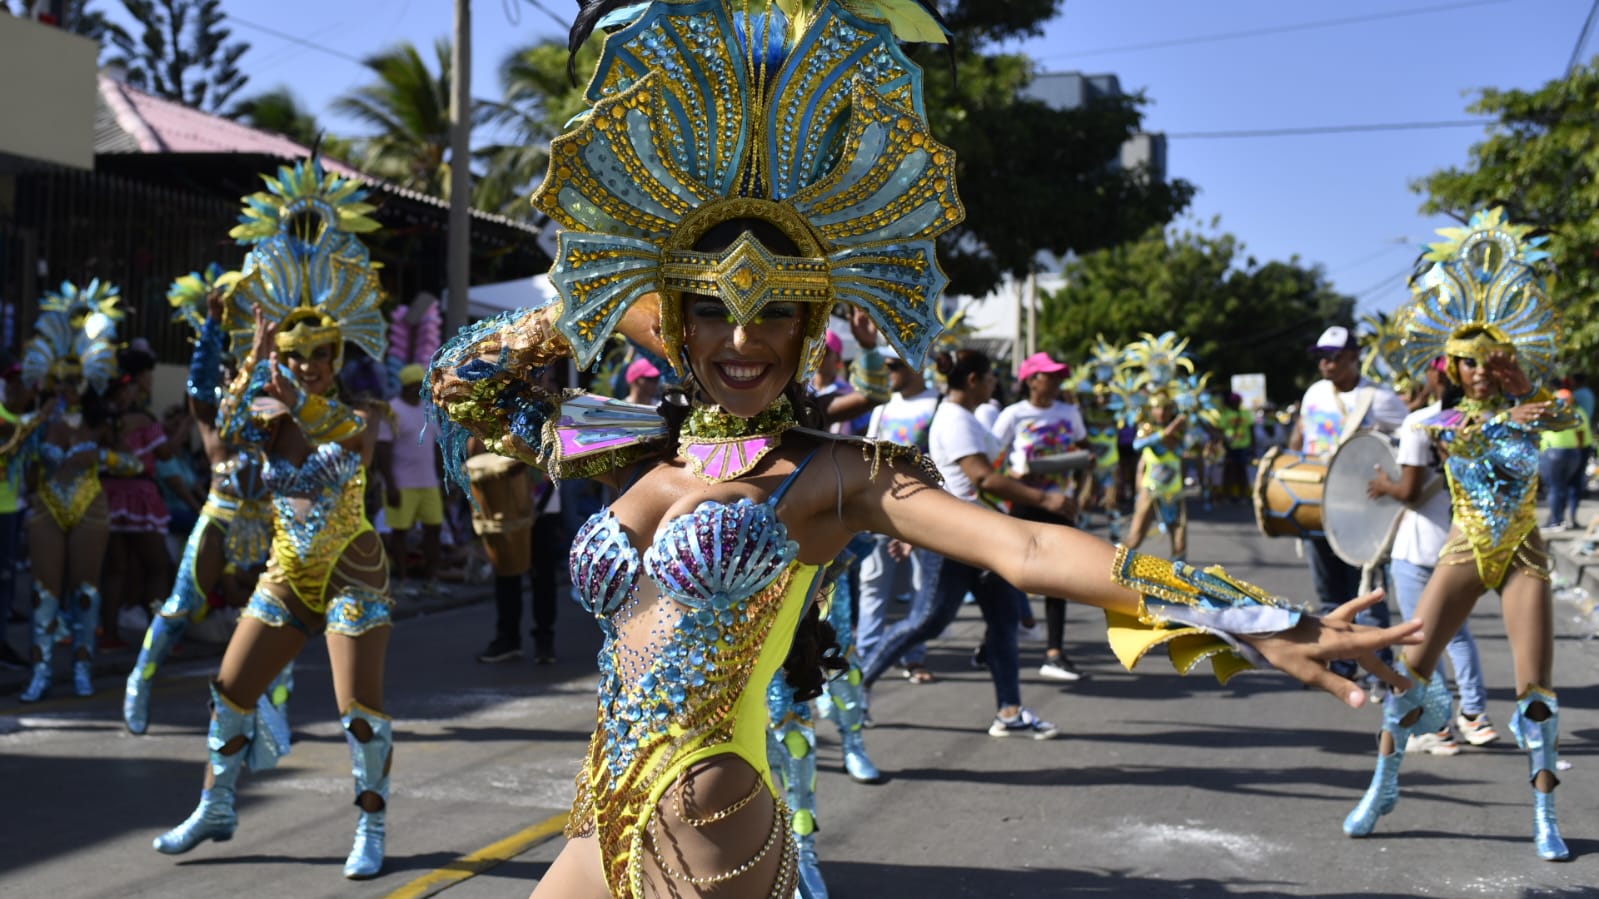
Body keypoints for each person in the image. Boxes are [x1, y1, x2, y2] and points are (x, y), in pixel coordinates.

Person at [429, 5, 1417, 896]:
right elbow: (464, 386)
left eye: (774, 311)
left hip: (712, 833)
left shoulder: (834, 472)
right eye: (714, 314)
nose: (744, 339)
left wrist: (1242, 611)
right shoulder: (638, 445)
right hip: (601, 815)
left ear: (811, 326)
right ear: (677, 321)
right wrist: (577, 298)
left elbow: (1024, 549)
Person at [151, 159, 396, 879]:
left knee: (358, 708)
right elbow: (221, 434)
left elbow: (343, 451)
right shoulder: (267, 403)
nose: (310, 362)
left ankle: (371, 824)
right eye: (297, 352)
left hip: (353, 566)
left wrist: (291, 396)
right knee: (229, 691)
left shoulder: (362, 414)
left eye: (322, 352)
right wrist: (251, 363)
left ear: (339, 351)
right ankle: (217, 805)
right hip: (289, 568)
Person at [1342, 208, 1571, 860]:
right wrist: (1514, 412)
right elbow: (1465, 432)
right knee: (1407, 675)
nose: (1477, 369)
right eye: (1466, 360)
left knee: (1535, 691)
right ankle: (1382, 783)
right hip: (1464, 549)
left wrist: (1531, 394)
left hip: (1523, 553)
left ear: (1505, 360)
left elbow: (1565, 421)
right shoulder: (1434, 422)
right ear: (1448, 364)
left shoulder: (1534, 409)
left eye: (1489, 359)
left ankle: (1544, 812)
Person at [124, 269, 276, 736]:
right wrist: (214, 327)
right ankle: (140, 682)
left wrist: (266, 352)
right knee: (180, 606)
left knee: (273, 617)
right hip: (219, 519)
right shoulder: (211, 419)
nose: (233, 382)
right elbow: (199, 381)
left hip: (264, 524)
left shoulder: (273, 416)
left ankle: (270, 708)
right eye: (228, 377)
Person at [10, 280, 140, 701]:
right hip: (47, 503)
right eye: (58, 380)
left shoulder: (102, 421)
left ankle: (83, 667)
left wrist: (102, 457)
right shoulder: (40, 420)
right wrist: (35, 424)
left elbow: (131, 461)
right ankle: (41, 672)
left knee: (86, 590)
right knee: (44, 591)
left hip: (89, 504)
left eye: (72, 380)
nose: (65, 387)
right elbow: (14, 457)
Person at [1365, 356, 1495, 755]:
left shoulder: (1420, 421)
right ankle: (1475, 716)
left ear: (1438, 375)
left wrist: (1384, 485)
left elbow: (1408, 491)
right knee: (1458, 634)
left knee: (1421, 635)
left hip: (1419, 544)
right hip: (1461, 541)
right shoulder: (1488, 423)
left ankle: (1437, 727)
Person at [1290, 324, 1410, 676]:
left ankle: (1380, 671)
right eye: (1321, 358)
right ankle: (1341, 664)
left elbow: (1411, 443)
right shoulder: (1314, 393)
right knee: (1330, 596)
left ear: (1354, 358)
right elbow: (1301, 433)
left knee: (1368, 595)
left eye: (1334, 357)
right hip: (1317, 505)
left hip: (1364, 512)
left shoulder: (1380, 398)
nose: (1326, 364)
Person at [991, 351, 1086, 681]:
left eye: (1060, 376)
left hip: (1061, 504)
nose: (1058, 381)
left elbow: (1086, 453)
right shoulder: (1013, 415)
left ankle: (1055, 653)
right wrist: (1012, 478)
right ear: (1032, 380)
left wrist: (1083, 489)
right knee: (1009, 575)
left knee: (1058, 578)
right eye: (1051, 375)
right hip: (1024, 504)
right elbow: (989, 458)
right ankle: (992, 642)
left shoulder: (1069, 412)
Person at [855, 344, 943, 685]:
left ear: (916, 366)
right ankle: (866, 658)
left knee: (923, 587)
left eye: (895, 366)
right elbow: (868, 457)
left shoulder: (938, 404)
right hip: (881, 511)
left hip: (926, 512)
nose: (889, 373)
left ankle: (913, 656)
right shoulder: (882, 407)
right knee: (874, 584)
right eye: (887, 366)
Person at [377, 363, 444, 594]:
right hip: (401, 485)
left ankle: (431, 579)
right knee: (400, 533)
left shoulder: (429, 409)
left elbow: (436, 448)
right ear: (405, 388)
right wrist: (390, 484)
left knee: (433, 529)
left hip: (429, 483)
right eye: (415, 387)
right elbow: (382, 450)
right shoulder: (391, 411)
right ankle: (403, 581)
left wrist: (444, 478)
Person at [1125, 393, 1189, 560]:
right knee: (1136, 536)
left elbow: (1188, 450)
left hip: (1174, 491)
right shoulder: (1147, 429)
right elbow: (1137, 445)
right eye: (1157, 407)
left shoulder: (1181, 430)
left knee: (1179, 538)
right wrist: (1166, 433)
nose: (1161, 412)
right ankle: (1112, 566)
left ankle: (1179, 578)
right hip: (1151, 489)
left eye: (1166, 408)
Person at [0, 363, 34, 670]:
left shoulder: (29, 420)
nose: (14, 388)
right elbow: (11, 441)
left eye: (21, 383)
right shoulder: (6, 419)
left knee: (6, 579)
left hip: (12, 509)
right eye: (11, 382)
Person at [1539, 388, 1589, 530]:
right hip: (1573, 453)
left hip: (1553, 453)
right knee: (1564, 487)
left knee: (1554, 488)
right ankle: (1562, 519)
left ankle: (1555, 521)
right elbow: (1581, 434)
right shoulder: (1577, 412)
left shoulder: (1549, 413)